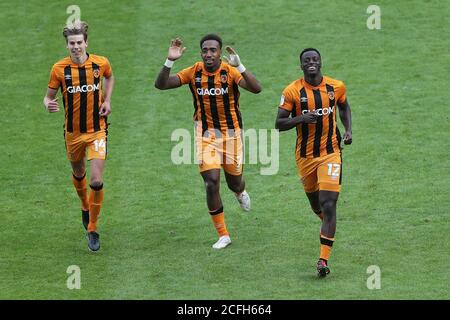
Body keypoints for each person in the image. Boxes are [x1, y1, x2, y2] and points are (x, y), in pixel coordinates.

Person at [155, 34, 261, 249]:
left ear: (219, 52)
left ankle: (240, 192)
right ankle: (223, 234)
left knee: (235, 182)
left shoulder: (229, 71)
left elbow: (256, 88)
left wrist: (240, 66)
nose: (209, 54)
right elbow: (162, 84)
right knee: (211, 182)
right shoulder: (194, 71)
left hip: (231, 136)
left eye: (213, 50)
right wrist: (170, 61)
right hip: (205, 136)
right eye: (205, 50)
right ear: (201, 52)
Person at [275, 48, 352, 277]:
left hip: (331, 153)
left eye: (315, 59)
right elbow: (279, 123)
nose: (311, 63)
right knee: (316, 205)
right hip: (305, 157)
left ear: (321, 63)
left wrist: (348, 130)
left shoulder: (336, 86)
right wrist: (301, 118)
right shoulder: (292, 91)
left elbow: (344, 106)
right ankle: (328, 226)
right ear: (301, 66)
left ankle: (323, 260)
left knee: (329, 204)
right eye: (307, 60)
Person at [43, 21, 115, 252]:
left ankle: (92, 228)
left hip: (97, 130)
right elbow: (49, 96)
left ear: (86, 43)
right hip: (73, 133)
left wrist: (107, 100)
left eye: (79, 42)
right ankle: (85, 206)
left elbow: (109, 77)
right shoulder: (59, 69)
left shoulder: (100, 63)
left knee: (95, 180)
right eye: (72, 43)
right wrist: (48, 103)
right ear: (67, 46)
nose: (76, 47)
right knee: (78, 172)